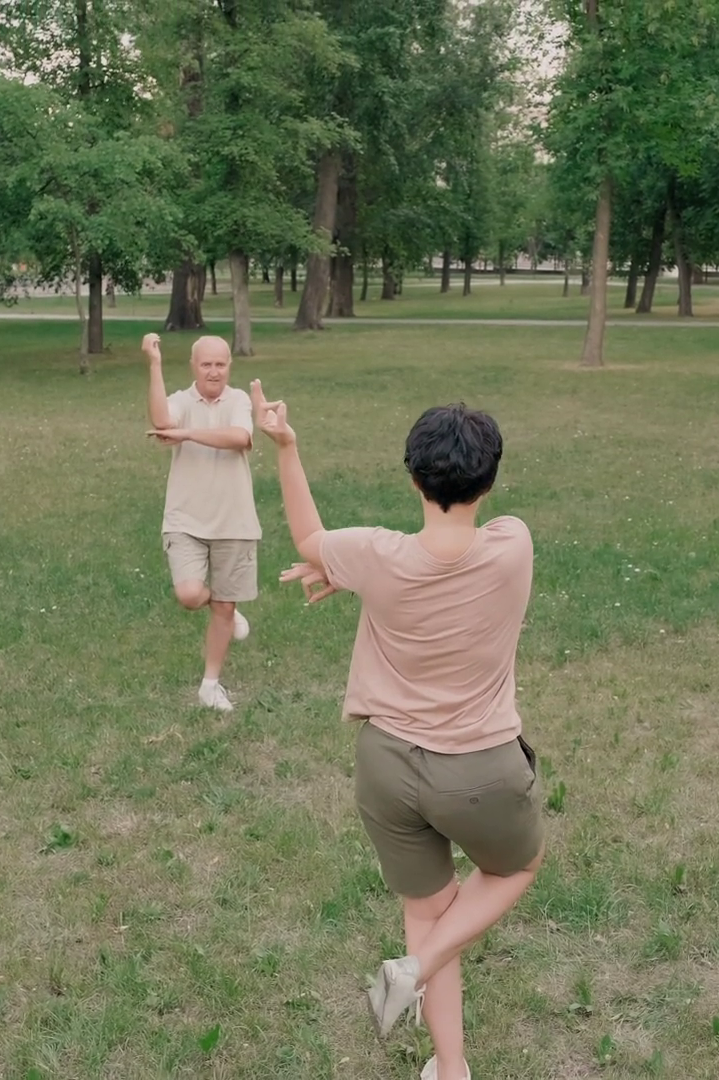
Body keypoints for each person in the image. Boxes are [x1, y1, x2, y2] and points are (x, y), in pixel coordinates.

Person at [250, 380, 541, 1080]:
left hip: (385, 765)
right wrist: (352, 575)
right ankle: (418, 967)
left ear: (413, 478)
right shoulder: (513, 543)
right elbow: (447, 558)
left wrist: (286, 446)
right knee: (517, 867)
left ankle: (450, 1066)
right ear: (489, 482)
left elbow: (310, 540)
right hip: (480, 767)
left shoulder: (376, 556)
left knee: (427, 910)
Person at [143, 333, 260, 710]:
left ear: (230, 366)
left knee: (224, 606)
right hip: (185, 519)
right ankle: (225, 610)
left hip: (234, 521)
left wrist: (188, 434)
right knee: (190, 594)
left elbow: (240, 437)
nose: (214, 371)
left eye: (220, 364)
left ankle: (210, 686)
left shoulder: (239, 400)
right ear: (194, 366)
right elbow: (162, 420)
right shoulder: (182, 400)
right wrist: (155, 364)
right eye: (206, 364)